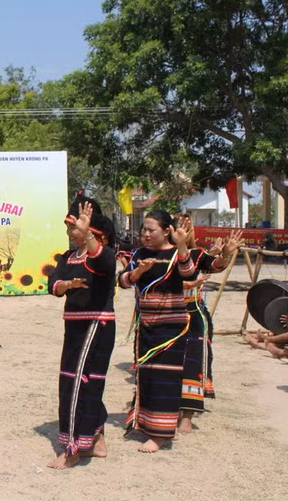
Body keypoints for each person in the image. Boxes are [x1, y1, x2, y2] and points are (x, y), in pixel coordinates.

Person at [47, 196, 117, 469]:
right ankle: (96, 438)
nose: (70, 234)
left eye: (74, 229)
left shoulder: (104, 255)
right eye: (70, 229)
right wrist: (65, 284)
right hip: (74, 325)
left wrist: (88, 235)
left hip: (96, 325)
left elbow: (104, 265)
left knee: (79, 383)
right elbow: (53, 285)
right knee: (76, 379)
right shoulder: (68, 257)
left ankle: (73, 449)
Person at [119, 210, 196, 453]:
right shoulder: (138, 254)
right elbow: (122, 281)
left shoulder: (176, 254)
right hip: (146, 326)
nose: (145, 234)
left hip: (171, 329)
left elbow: (190, 274)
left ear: (166, 231)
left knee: (165, 379)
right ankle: (146, 424)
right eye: (143, 229)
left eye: (151, 230)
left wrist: (182, 246)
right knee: (147, 376)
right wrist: (139, 272)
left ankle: (161, 434)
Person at [177, 215, 243, 433]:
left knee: (192, 362)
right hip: (163, 315)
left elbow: (216, 265)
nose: (180, 230)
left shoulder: (197, 255)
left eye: (184, 227)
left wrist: (225, 253)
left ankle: (187, 414)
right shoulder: (159, 255)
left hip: (192, 316)